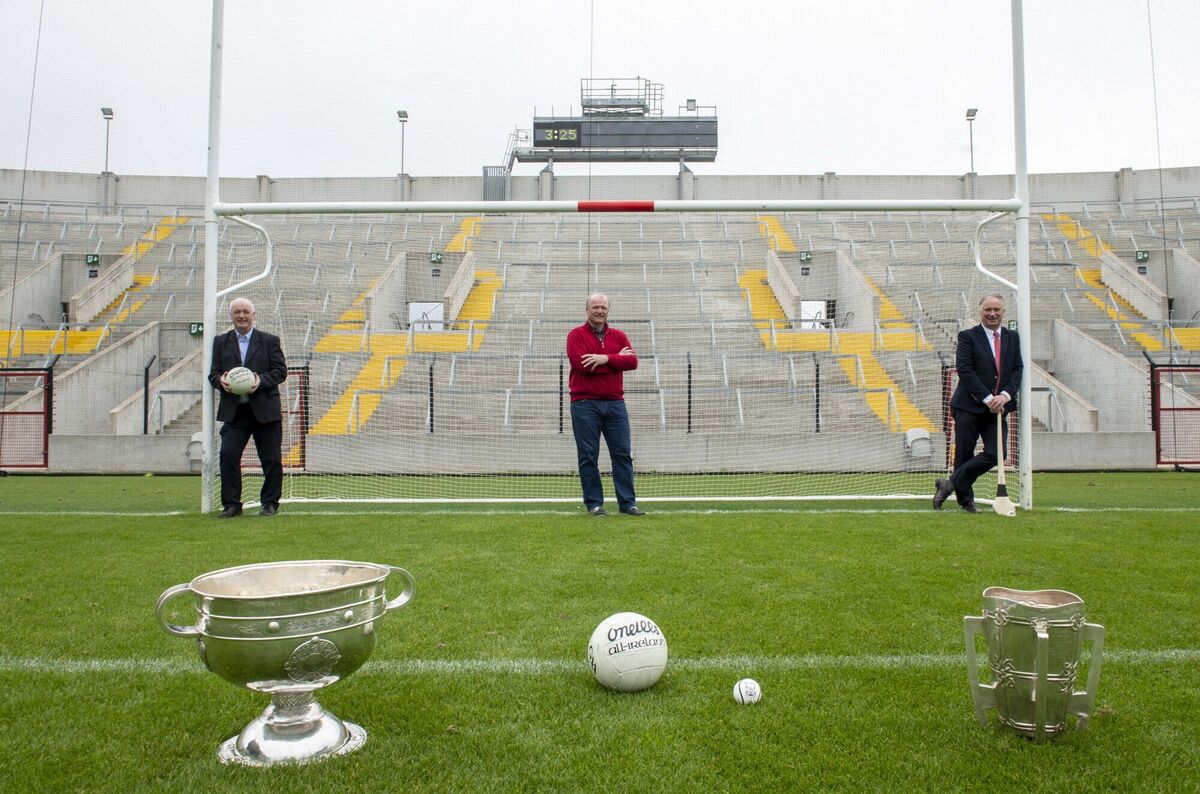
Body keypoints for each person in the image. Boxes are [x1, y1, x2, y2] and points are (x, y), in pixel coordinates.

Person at [934, 293, 1023, 513]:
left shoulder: (1013, 337)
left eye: (996, 310)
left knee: (996, 454)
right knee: (964, 452)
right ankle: (966, 501)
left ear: (1003, 312)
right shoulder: (968, 336)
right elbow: (965, 370)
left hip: (998, 409)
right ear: (980, 312)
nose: (992, 314)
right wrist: (988, 398)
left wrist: (1005, 395)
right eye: (987, 310)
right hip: (969, 405)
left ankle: (950, 483)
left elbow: (1017, 369)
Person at [567, 293, 646, 516]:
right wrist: (615, 360)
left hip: (615, 404)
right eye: (595, 307)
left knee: (622, 454)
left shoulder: (619, 335)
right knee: (588, 455)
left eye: (603, 307)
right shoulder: (575, 335)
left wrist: (604, 359)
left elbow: (632, 362)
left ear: (608, 310)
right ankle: (594, 504)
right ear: (587, 310)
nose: (599, 311)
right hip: (584, 404)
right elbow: (582, 365)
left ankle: (628, 504)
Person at [208, 297, 288, 517]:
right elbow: (213, 374)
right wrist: (221, 381)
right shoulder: (220, 342)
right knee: (228, 455)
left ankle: (270, 503)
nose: (241, 316)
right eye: (236, 312)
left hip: (265, 411)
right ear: (231, 316)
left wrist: (258, 381)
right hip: (235, 413)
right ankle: (232, 504)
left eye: (245, 311)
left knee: (271, 459)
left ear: (253, 315)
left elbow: (280, 372)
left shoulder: (269, 341)